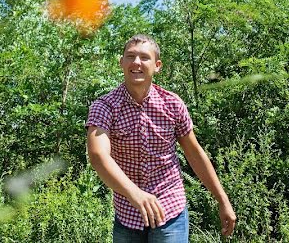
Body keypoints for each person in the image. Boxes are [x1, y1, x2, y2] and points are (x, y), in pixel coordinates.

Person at [86, 34, 236, 242]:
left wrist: (222, 200)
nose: (136, 62)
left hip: (170, 210)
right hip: (127, 214)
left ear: (157, 65)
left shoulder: (172, 104)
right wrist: (135, 194)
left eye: (144, 57)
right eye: (130, 56)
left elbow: (194, 153)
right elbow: (98, 155)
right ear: (121, 63)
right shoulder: (105, 106)